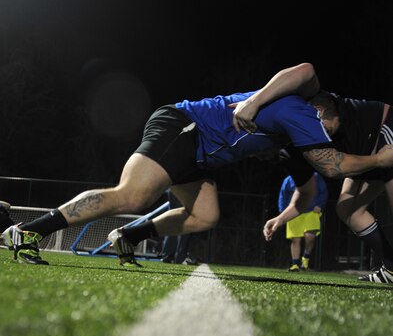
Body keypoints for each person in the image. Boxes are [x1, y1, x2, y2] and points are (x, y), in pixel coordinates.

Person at [3, 76, 393, 266]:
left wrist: (281, 216)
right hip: (184, 127)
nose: (324, 137)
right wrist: (378, 161)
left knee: (205, 215)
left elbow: (309, 188)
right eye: (327, 128)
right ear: (319, 111)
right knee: (134, 195)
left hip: (201, 157)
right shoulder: (298, 108)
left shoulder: (296, 141)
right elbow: (308, 72)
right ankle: (26, 231)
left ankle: (128, 236)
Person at [231, 62, 393, 284]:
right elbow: (305, 193)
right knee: (347, 209)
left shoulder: (307, 103)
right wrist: (280, 218)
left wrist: (253, 101)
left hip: (384, 132)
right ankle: (391, 267)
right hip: (368, 156)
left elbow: (305, 69)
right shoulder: (292, 150)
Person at [278, 173, 328, 271]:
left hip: (311, 211)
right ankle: (295, 264)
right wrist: (282, 212)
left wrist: (320, 205)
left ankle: (305, 258)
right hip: (294, 212)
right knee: (295, 239)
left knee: (310, 236)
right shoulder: (288, 179)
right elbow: (283, 195)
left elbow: (323, 192)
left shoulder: (315, 177)